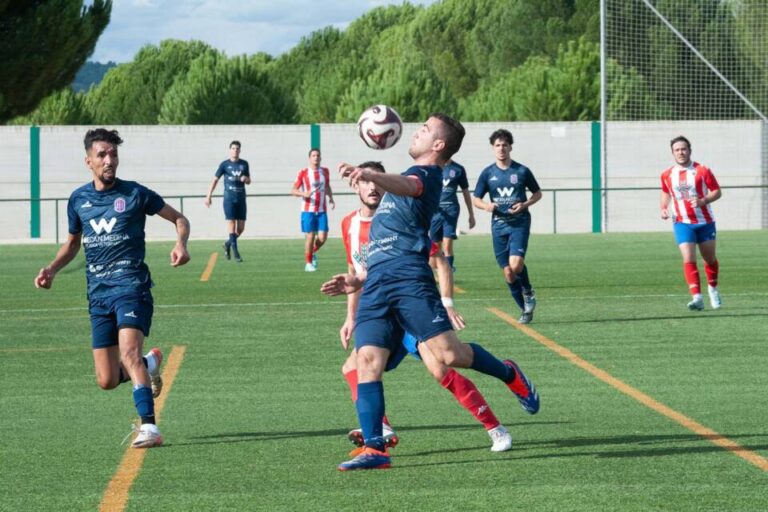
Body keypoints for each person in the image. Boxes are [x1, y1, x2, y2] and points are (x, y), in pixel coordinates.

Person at [322, 114, 539, 471]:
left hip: (409, 280)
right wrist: (358, 281)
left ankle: (509, 373)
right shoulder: (401, 182)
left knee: (449, 356)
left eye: (424, 129)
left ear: (438, 145)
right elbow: (385, 243)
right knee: (365, 362)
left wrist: (372, 175)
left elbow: (409, 187)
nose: (417, 131)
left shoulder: (427, 175)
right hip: (377, 283)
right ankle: (376, 449)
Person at [337, 161, 512, 456]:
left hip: (410, 306)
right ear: (355, 185)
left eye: (377, 181)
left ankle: (495, 427)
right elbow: (353, 271)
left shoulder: (401, 216)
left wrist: (447, 303)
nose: (372, 187)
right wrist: (350, 316)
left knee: (440, 367)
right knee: (353, 367)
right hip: (379, 310)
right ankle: (380, 430)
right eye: (365, 182)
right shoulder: (348, 225)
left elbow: (438, 260)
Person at [34, 128, 190, 448]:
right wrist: (51, 268)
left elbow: (179, 218)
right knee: (106, 380)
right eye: (102, 155)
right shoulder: (79, 200)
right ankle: (149, 365)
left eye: (113, 154)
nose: (109, 160)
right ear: (88, 161)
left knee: (129, 352)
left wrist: (181, 243)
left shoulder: (135, 194)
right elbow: (73, 244)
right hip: (98, 295)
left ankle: (150, 426)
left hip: (132, 286)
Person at [472, 129, 542, 324]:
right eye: (497, 145)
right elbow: (476, 198)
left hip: (519, 223)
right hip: (498, 226)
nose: (501, 148)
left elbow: (537, 193)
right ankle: (525, 309)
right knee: (508, 273)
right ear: (493, 148)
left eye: (504, 145)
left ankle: (527, 291)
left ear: (511, 147)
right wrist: (486, 205)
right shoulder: (487, 173)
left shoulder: (521, 171)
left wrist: (524, 204)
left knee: (515, 264)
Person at [660, 135, 722, 310]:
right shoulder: (667, 174)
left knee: (709, 259)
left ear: (689, 151)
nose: (681, 152)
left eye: (683, 149)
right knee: (688, 257)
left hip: (705, 222)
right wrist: (664, 207)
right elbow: (665, 191)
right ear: (673, 153)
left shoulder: (702, 170)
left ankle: (713, 288)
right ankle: (697, 298)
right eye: (677, 150)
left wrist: (703, 201)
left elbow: (717, 191)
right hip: (682, 222)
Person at [204, 140, 251, 262]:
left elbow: (249, 180)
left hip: (241, 198)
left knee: (240, 228)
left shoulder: (244, 164)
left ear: (240, 150)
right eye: (233, 148)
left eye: (237, 148)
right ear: (230, 150)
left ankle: (228, 244)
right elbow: (215, 180)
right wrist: (208, 195)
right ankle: (235, 251)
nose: (235, 150)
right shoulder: (224, 165)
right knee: (231, 223)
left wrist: (246, 179)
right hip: (229, 198)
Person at [291, 148, 335, 272]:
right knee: (310, 236)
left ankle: (312, 252)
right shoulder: (303, 172)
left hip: (322, 210)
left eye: (318, 155)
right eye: (313, 155)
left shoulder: (325, 171)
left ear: (320, 158)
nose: (316, 157)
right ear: (309, 158)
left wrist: (331, 198)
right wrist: (303, 193)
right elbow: (293, 190)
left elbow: (327, 186)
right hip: (308, 211)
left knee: (322, 237)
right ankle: (308, 263)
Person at [429, 159, 475, 271]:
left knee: (447, 244)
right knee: (435, 246)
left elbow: (466, 192)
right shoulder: (431, 167)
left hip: (451, 210)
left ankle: (448, 272)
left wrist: (471, 214)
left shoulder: (458, 169)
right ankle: (433, 273)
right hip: (435, 212)